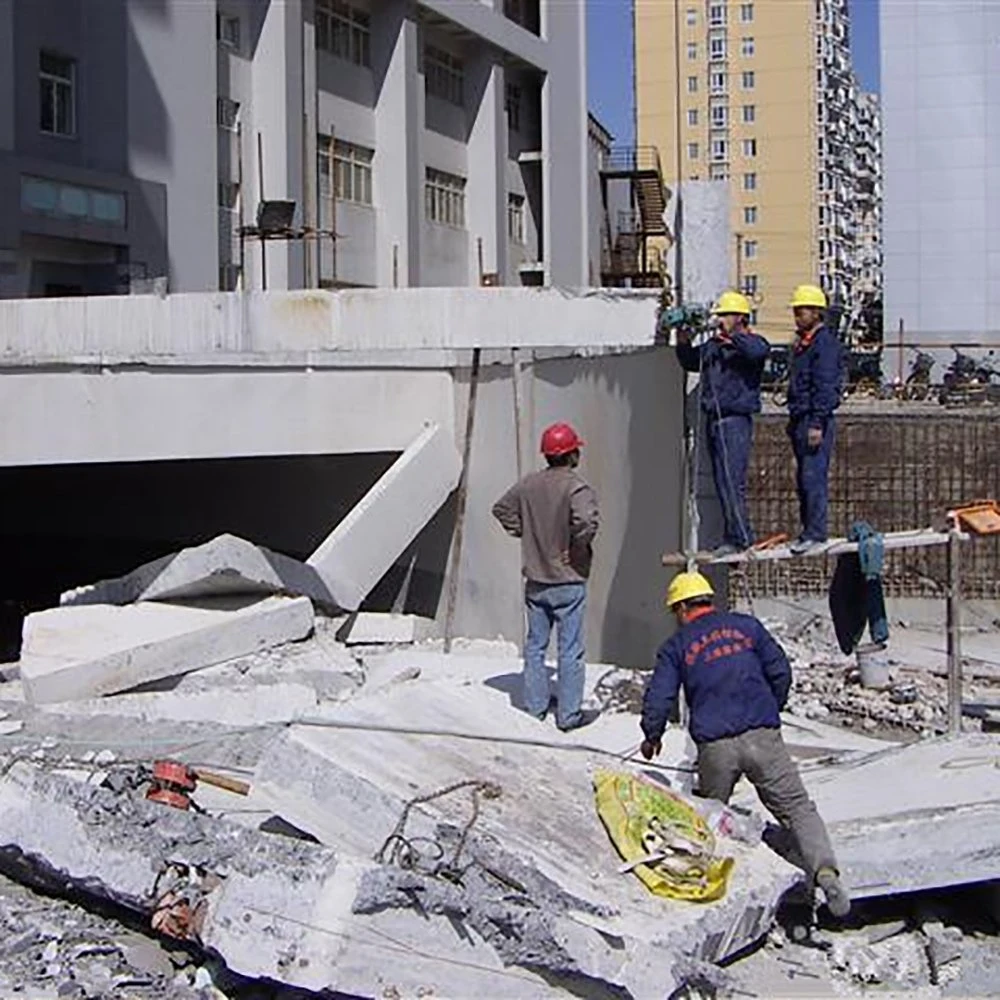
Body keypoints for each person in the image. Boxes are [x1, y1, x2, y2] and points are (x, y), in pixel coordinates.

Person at [640, 570, 851, 918]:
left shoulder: (676, 646)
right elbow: (780, 669)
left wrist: (652, 735)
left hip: (715, 746)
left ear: (680, 609)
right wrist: (770, 708)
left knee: (711, 815)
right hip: (762, 734)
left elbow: (660, 696)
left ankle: (706, 892)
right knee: (797, 807)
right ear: (709, 601)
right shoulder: (747, 627)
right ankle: (824, 870)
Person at [492, 422, 600, 732]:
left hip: (536, 580)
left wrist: (525, 532)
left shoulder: (528, 485)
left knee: (536, 646)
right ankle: (568, 716)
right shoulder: (576, 488)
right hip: (568, 580)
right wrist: (576, 547)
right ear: (571, 454)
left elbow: (501, 509)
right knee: (570, 649)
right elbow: (586, 522)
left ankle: (535, 708)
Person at [675, 290, 769, 556]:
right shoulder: (715, 346)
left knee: (732, 480)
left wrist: (732, 335)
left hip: (735, 420)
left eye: (725, 315)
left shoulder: (750, 343)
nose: (720, 320)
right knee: (721, 481)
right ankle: (732, 534)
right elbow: (691, 361)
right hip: (714, 420)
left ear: (740, 317)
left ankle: (741, 536)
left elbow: (756, 352)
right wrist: (683, 341)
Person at [786, 284, 845, 555]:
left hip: (813, 419)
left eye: (803, 310)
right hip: (801, 417)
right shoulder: (803, 344)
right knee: (803, 479)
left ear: (817, 312)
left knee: (813, 478)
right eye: (797, 310)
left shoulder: (824, 345)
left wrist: (817, 422)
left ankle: (816, 532)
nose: (798, 315)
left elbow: (825, 385)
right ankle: (808, 530)